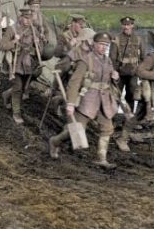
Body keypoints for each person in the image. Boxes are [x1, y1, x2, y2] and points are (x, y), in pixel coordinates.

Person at [49, 32, 120, 169]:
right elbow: (74, 83)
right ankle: (55, 141)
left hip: (104, 100)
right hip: (86, 100)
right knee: (76, 130)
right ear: (94, 44)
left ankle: (101, 159)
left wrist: (115, 78)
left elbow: (108, 81)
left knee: (107, 128)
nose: (103, 47)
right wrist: (70, 103)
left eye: (106, 45)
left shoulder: (108, 61)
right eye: (100, 44)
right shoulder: (85, 60)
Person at [0, 7, 45, 124]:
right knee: (18, 89)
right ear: (21, 17)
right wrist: (14, 42)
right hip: (15, 64)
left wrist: (38, 43)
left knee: (24, 88)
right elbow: (2, 45)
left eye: (30, 18)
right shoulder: (12, 29)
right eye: (26, 18)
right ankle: (16, 113)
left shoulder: (34, 30)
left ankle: (6, 94)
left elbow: (40, 50)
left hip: (29, 64)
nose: (28, 20)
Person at [109, 16, 144, 116]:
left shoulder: (139, 39)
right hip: (119, 73)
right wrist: (114, 71)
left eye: (128, 25)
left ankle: (129, 117)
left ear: (132, 25)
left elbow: (143, 57)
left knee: (131, 95)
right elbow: (111, 58)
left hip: (133, 73)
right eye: (124, 25)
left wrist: (139, 70)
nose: (126, 27)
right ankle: (113, 117)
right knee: (116, 96)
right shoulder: (116, 39)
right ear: (121, 25)